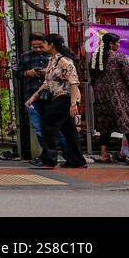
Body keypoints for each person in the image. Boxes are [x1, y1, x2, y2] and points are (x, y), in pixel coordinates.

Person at [25, 33, 87, 169]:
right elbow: (47, 83)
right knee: (69, 130)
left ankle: (49, 159)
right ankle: (76, 160)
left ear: (52, 45)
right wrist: (33, 97)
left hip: (64, 98)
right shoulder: (53, 60)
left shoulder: (65, 61)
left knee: (48, 124)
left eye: (45, 43)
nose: (43, 46)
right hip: (57, 97)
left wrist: (73, 104)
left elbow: (74, 83)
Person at [88, 32, 129, 166]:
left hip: (101, 95)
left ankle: (103, 154)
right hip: (119, 95)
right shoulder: (119, 57)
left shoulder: (95, 59)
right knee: (128, 123)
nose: (118, 45)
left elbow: (92, 80)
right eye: (117, 43)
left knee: (105, 126)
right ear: (111, 44)